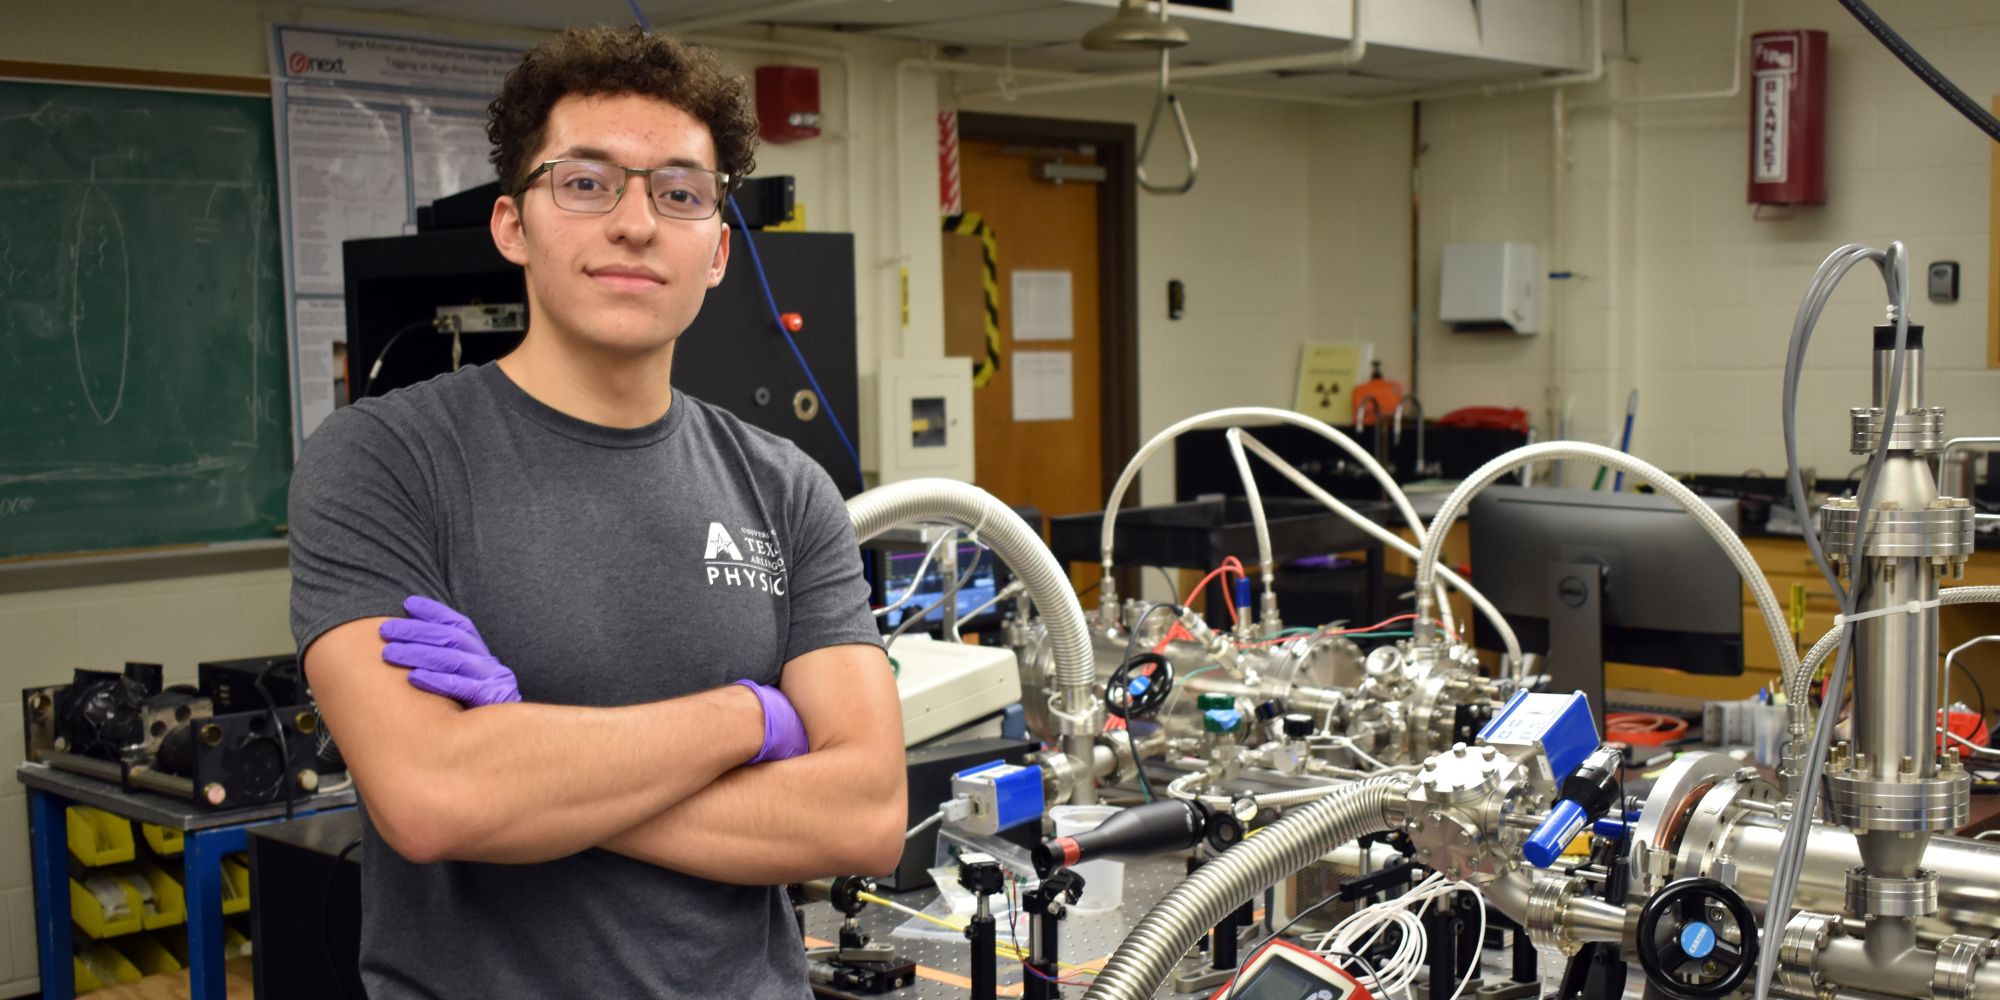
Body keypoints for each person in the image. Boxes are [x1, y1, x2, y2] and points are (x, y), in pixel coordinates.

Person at [287, 26, 906, 998]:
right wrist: (751, 717)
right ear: (510, 225)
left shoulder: (787, 489)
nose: (634, 223)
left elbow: (863, 814)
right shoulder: (383, 460)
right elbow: (433, 800)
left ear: (715, 250)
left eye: (678, 193)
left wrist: (526, 756)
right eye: (585, 182)